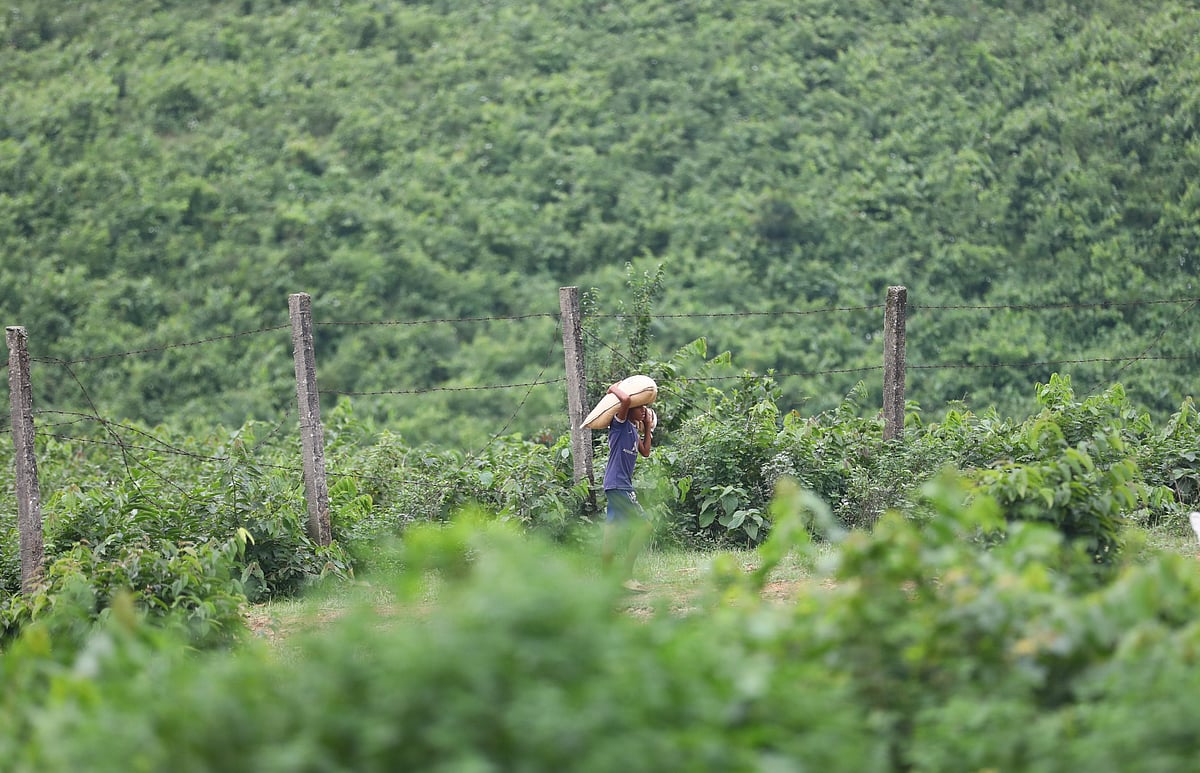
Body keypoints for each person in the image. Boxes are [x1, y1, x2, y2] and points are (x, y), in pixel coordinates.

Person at [601, 381, 655, 592]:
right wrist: (613, 388)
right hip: (619, 485)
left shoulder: (632, 431)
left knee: (611, 533)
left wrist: (648, 426)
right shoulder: (619, 424)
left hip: (616, 485)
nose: (643, 411)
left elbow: (646, 451)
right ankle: (626, 577)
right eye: (640, 407)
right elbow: (625, 399)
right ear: (629, 410)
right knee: (644, 527)